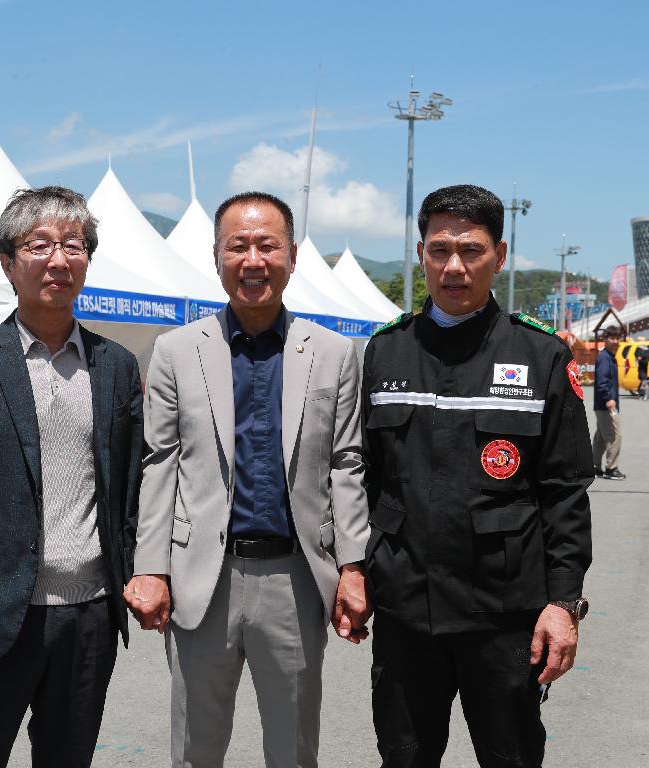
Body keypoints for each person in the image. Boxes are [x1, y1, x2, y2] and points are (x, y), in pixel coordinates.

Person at [125, 191, 370, 767]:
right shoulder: (176, 351)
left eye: (268, 246)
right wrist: (151, 570)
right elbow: (160, 463)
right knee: (196, 748)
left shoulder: (333, 353)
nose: (253, 260)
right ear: (216, 257)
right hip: (202, 580)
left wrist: (354, 565)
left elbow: (347, 462)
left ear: (291, 257)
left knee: (294, 749)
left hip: (296, 578)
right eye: (238, 246)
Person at [361, 185, 593, 767]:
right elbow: (361, 479)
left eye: (471, 250)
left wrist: (563, 604)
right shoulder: (385, 354)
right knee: (405, 758)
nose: (454, 267)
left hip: (506, 615)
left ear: (500, 254)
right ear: (421, 254)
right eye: (439, 250)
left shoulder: (541, 357)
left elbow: (566, 493)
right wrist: (356, 569)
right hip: (406, 611)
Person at [0, 186, 143, 768]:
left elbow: (132, 487)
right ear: (8, 263)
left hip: (91, 609)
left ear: (88, 260)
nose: (59, 259)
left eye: (74, 245)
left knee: (68, 757)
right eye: (39, 244)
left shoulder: (115, 365)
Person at [592, 326, 625, 480]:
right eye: (611, 338)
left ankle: (594, 467)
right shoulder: (604, 358)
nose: (614, 341)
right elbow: (602, 382)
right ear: (605, 339)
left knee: (600, 437)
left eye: (617, 338)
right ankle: (611, 468)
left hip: (604, 403)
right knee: (614, 435)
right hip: (606, 404)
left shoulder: (609, 357)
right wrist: (609, 399)